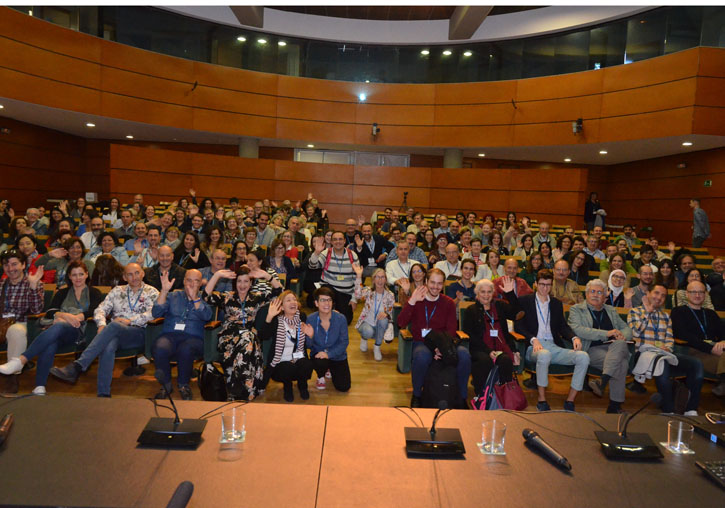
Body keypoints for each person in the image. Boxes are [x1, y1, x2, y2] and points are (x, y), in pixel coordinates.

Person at [50, 263, 159, 397]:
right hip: (114, 333)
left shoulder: (152, 292)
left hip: (138, 333)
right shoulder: (117, 291)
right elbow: (100, 309)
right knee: (108, 345)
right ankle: (103, 394)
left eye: (137, 273)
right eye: (130, 274)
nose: (134, 277)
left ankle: (78, 366)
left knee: (113, 325)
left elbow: (154, 313)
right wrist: (101, 325)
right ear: (124, 277)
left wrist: (130, 320)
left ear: (142, 273)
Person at [515, 269, 589, 411]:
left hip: (554, 346)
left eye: (548, 285)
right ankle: (542, 400)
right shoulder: (524, 301)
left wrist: (574, 337)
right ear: (535, 284)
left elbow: (562, 326)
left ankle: (570, 401)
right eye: (542, 284)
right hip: (534, 347)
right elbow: (519, 327)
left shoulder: (555, 303)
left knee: (583, 357)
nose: (545, 288)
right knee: (544, 354)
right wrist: (533, 339)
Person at [397, 268, 471, 408]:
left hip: (444, 342)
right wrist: (412, 301)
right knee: (422, 356)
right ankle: (417, 395)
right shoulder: (417, 299)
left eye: (439, 284)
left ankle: (462, 397)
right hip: (422, 342)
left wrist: (441, 348)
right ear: (425, 282)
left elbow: (451, 330)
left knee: (464, 355)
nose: (435, 287)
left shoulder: (448, 302)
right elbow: (400, 323)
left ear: (443, 285)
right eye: (432, 282)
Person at [627, 284, 703, 415]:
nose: (659, 297)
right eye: (656, 293)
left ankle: (691, 408)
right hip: (643, 354)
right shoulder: (635, 312)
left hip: (664, 354)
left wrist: (667, 348)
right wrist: (648, 312)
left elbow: (669, 339)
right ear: (649, 294)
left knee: (696, 363)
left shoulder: (666, 316)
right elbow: (635, 333)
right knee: (661, 362)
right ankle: (668, 409)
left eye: (663, 296)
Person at [203, 267, 272, 400]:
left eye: (246, 281)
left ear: (251, 283)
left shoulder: (256, 297)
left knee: (248, 339)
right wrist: (216, 275)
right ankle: (247, 390)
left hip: (250, 338)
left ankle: (236, 390)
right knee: (248, 339)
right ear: (235, 283)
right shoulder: (228, 297)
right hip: (229, 336)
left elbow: (279, 292)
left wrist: (267, 276)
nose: (242, 285)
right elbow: (205, 296)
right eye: (239, 281)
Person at [568, 279, 633, 413]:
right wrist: (607, 333)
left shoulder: (610, 310)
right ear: (586, 294)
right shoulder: (577, 309)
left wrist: (623, 336)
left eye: (600, 292)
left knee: (620, 343)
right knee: (622, 364)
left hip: (614, 348)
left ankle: (602, 380)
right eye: (592, 291)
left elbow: (626, 328)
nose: (596, 295)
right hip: (591, 349)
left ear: (605, 296)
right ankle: (614, 406)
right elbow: (578, 330)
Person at [150, 269, 212, 400]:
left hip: (193, 338)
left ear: (201, 283)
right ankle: (166, 385)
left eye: (196, 281)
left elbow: (207, 315)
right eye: (189, 280)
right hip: (170, 335)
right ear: (184, 281)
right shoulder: (173, 296)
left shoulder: (204, 298)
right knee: (160, 346)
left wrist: (195, 298)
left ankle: (183, 385)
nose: (191, 284)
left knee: (186, 349)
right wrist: (164, 291)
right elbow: (156, 312)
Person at [462, 277, 522, 409]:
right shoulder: (471, 310)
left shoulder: (499, 306)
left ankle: (504, 397)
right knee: (484, 361)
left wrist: (510, 293)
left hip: (500, 347)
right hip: (480, 349)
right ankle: (482, 396)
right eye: (482, 292)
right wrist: (488, 351)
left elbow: (517, 313)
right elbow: (471, 336)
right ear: (477, 294)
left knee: (505, 360)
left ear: (493, 293)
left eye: (489, 292)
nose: (486, 295)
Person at [0, 250, 45, 393]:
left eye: (14, 264)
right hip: (2, 323)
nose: (10, 268)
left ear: (23, 265)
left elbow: (37, 311)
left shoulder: (33, 282)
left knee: (15, 331)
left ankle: (11, 377)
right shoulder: (1, 285)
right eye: (6, 265)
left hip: (24, 323)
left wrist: (33, 288)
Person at [257, 291, 314, 402]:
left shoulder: (302, 317)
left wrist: (311, 336)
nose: (293, 302)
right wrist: (269, 316)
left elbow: (309, 345)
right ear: (282, 307)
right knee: (287, 367)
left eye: (294, 299)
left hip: (298, 358)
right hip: (280, 363)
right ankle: (287, 388)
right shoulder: (276, 321)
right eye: (288, 300)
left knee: (306, 364)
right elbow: (263, 336)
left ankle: (303, 386)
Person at [671, 280, 725, 396]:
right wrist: (710, 348)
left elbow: (722, 332)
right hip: (692, 352)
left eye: (701, 292)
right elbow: (683, 335)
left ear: (705, 295)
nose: (697, 295)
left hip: (716, 351)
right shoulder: (678, 312)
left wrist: (723, 341)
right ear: (687, 294)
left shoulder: (711, 313)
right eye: (693, 292)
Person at [306, 286, 351, 391]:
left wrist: (329, 354)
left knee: (344, 387)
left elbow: (344, 342)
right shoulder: (311, 319)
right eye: (323, 300)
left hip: (337, 355)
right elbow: (308, 346)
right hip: (319, 355)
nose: (327, 303)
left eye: (329, 300)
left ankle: (330, 369)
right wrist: (311, 336)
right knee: (320, 362)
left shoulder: (341, 319)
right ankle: (321, 375)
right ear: (316, 303)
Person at [308, 232, 358, 325]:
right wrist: (316, 252)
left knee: (346, 321)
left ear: (344, 241)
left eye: (340, 239)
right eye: (335, 239)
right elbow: (312, 266)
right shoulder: (326, 253)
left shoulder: (353, 255)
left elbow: (357, 279)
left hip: (345, 294)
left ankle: (333, 313)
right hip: (330, 292)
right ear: (331, 241)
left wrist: (354, 299)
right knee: (326, 289)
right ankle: (328, 311)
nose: (337, 242)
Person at [353, 266, 394, 361]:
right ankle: (364, 338)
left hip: (380, 324)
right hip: (367, 323)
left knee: (384, 321)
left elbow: (390, 311)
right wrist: (359, 276)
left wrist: (386, 314)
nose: (380, 280)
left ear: (386, 280)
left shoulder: (390, 295)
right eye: (377, 277)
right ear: (373, 279)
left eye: (382, 277)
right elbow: (358, 295)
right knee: (368, 332)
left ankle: (377, 347)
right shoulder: (368, 291)